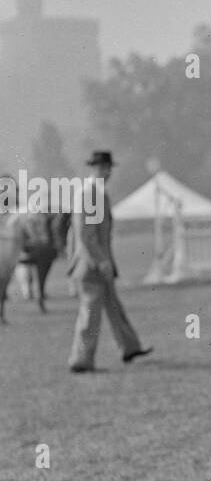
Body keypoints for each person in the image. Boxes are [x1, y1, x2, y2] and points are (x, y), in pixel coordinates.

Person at [67, 150, 152, 372]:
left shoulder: (96, 193)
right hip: (92, 265)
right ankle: (81, 360)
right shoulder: (91, 194)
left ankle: (130, 347)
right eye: (105, 168)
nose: (107, 173)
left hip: (100, 263)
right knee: (90, 314)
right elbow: (86, 233)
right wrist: (100, 261)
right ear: (97, 168)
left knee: (113, 307)